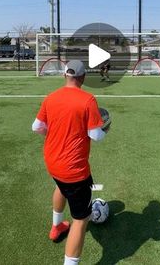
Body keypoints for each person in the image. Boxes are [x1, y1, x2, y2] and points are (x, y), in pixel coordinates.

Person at [32, 60, 109, 265]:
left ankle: (56, 227)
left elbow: (36, 127)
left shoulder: (51, 98)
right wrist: (105, 128)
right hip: (74, 170)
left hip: (52, 162)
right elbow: (96, 135)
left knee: (60, 186)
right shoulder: (88, 100)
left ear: (64, 76)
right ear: (83, 78)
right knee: (81, 219)